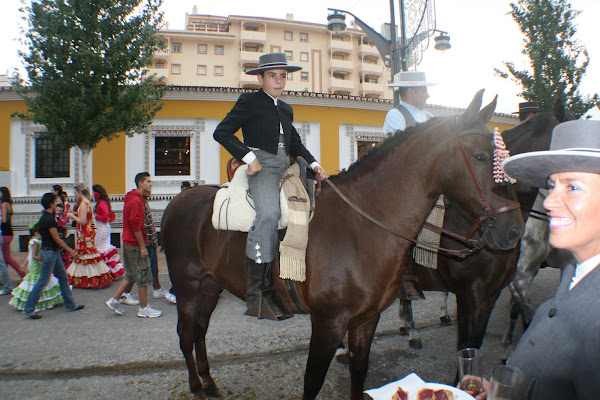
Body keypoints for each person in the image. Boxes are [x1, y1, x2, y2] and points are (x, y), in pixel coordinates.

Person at [478, 119, 600, 400]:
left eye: (572, 187)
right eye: (551, 185)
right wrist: (500, 392)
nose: (548, 201)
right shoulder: (574, 273)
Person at [213, 52, 328, 320]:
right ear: (261, 78)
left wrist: (315, 165)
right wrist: (249, 158)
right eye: (273, 76)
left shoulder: (286, 109)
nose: (278, 81)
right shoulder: (249, 101)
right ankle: (255, 293)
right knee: (268, 215)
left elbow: (295, 144)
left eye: (283, 76)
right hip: (261, 167)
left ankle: (289, 282)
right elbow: (222, 132)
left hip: (287, 166)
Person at [105, 172, 162, 318]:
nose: (150, 184)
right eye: (148, 181)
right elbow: (135, 225)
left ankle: (114, 300)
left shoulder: (133, 198)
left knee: (130, 274)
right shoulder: (136, 201)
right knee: (142, 274)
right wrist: (143, 246)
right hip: (135, 243)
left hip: (128, 241)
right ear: (140, 183)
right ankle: (144, 308)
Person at [23, 192, 84, 319]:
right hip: (50, 252)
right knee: (43, 281)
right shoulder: (48, 219)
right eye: (55, 202)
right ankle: (29, 308)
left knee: (62, 277)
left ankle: (70, 304)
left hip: (52, 252)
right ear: (51, 204)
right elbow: (57, 239)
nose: (57, 204)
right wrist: (71, 250)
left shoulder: (47, 217)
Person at [65, 184, 114, 288]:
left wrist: (72, 216)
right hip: (88, 232)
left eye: (75, 193)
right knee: (88, 256)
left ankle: (88, 279)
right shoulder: (87, 203)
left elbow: (82, 221)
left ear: (79, 193)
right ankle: (94, 278)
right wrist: (75, 213)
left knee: (86, 255)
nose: (75, 196)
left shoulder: (83, 204)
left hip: (84, 233)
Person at [9, 221, 63, 312]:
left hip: (36, 264)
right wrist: (44, 259)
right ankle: (37, 302)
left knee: (41, 280)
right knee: (40, 280)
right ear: (36, 233)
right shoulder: (36, 242)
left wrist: (24, 263)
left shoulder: (33, 241)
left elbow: (30, 254)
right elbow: (33, 255)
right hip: (37, 264)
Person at [92, 184, 125, 279]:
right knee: (102, 250)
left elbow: (105, 217)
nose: (93, 194)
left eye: (94, 192)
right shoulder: (101, 202)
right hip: (101, 228)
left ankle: (106, 272)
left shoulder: (102, 203)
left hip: (101, 229)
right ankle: (107, 272)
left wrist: (96, 216)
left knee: (101, 250)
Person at [1, 187, 26, 278]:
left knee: (6, 257)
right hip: (9, 232)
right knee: (4, 257)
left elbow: (3, 220)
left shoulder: (3, 204)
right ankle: (4, 277)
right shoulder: (8, 204)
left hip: (4, 233)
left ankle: (22, 273)